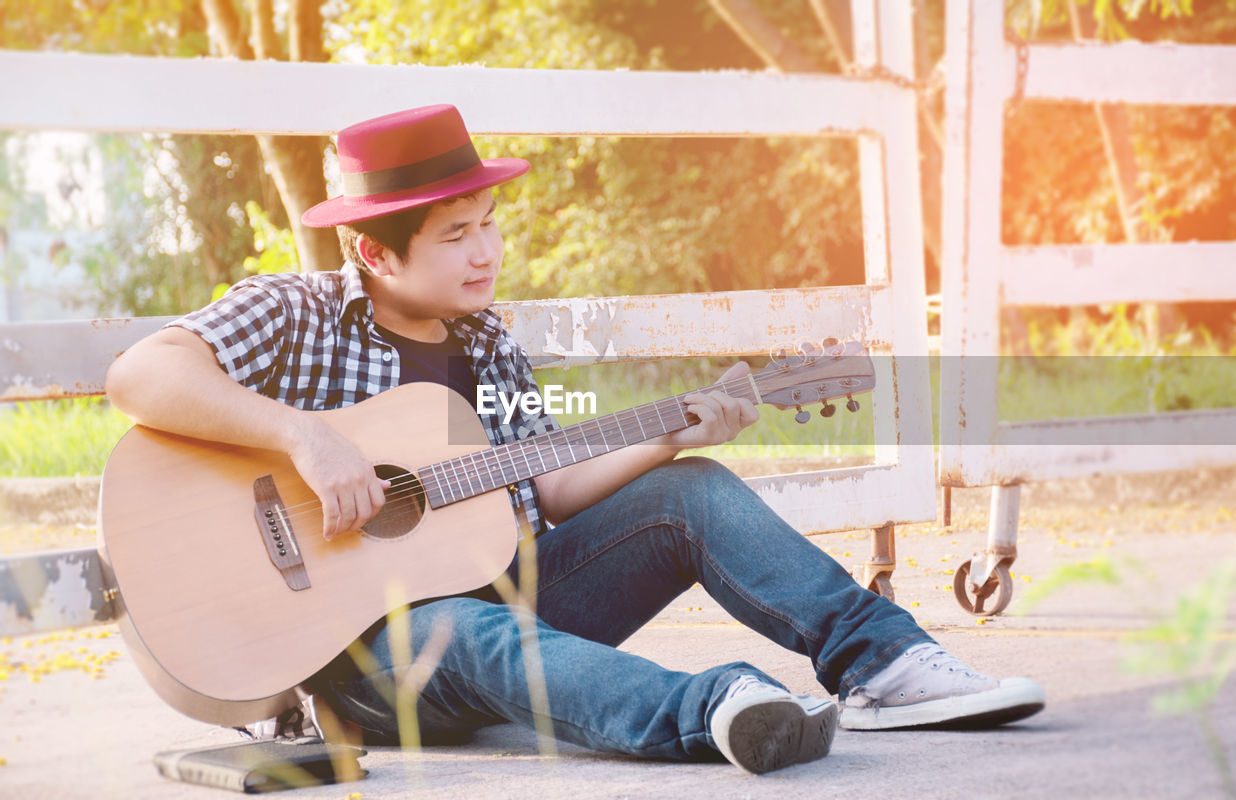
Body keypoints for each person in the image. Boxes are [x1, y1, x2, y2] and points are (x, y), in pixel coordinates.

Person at [105, 104, 1045, 775]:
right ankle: (717, 709)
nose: (486, 254)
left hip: (513, 604)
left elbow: (546, 489)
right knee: (473, 630)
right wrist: (304, 439)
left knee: (694, 489)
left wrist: (679, 427)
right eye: (455, 236)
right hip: (365, 664)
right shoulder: (297, 312)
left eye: (490, 226)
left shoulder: (489, 343)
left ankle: (881, 664)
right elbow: (141, 376)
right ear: (375, 252)